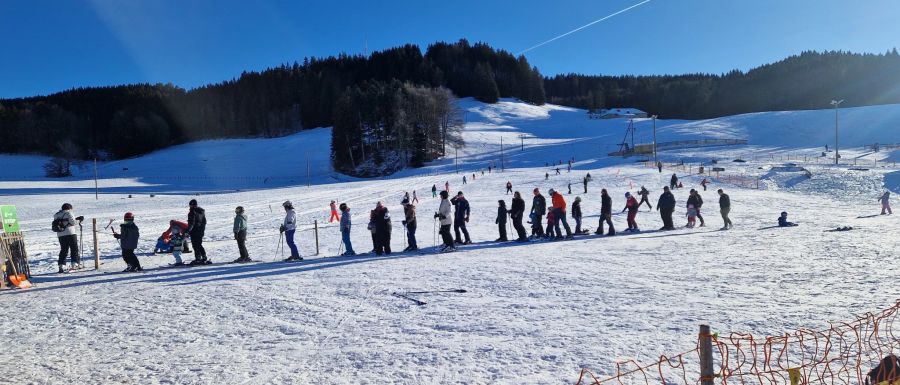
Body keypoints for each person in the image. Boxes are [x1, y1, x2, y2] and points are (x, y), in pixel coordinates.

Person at [53, 203, 83, 273]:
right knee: (74, 248)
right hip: (70, 233)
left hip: (60, 234)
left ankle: (61, 265)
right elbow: (72, 223)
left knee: (64, 249)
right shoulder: (69, 213)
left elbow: (63, 222)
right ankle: (74, 264)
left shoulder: (56, 215)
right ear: (69, 208)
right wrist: (79, 220)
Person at [186, 199, 208, 265]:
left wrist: (187, 231)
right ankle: (204, 257)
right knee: (199, 244)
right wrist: (202, 230)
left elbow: (191, 224)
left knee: (195, 245)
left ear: (192, 205)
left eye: (190, 205)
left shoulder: (192, 212)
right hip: (200, 231)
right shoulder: (201, 212)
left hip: (194, 231)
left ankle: (198, 258)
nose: (189, 206)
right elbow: (204, 222)